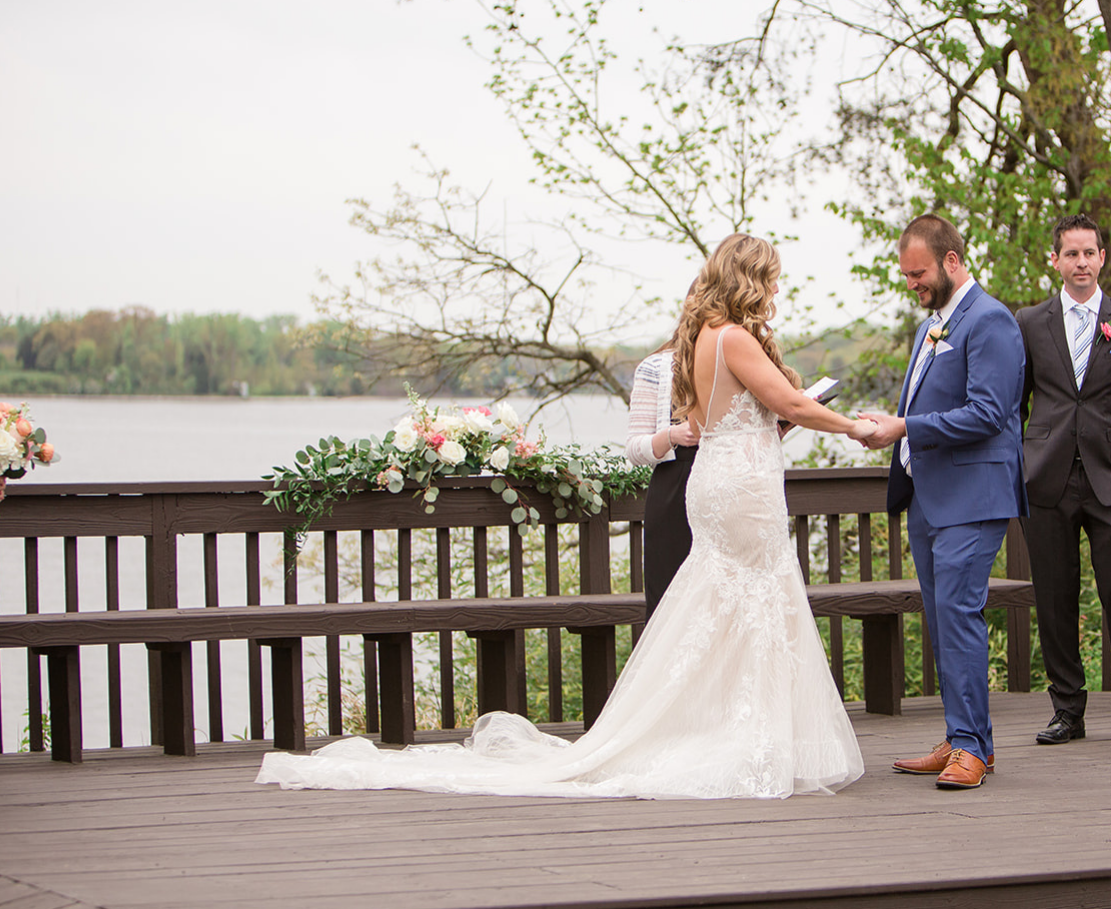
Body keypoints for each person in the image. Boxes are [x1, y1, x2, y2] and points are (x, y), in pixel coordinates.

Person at [257, 234, 876, 799]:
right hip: (741, 488)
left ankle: (729, 733)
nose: (775, 291)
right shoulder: (735, 338)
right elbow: (789, 401)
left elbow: (722, 417)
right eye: (770, 279)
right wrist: (853, 426)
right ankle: (740, 739)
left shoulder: (702, 340)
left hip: (721, 481)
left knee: (720, 605)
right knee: (752, 601)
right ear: (749, 279)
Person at [859, 214, 1027, 789]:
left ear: (952, 261)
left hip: (972, 496)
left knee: (959, 615)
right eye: (907, 275)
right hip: (929, 498)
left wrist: (903, 427)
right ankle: (963, 738)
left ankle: (973, 751)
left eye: (920, 272)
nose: (913, 283)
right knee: (942, 618)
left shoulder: (991, 321)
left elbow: (989, 413)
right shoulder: (933, 325)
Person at [1016, 214, 1111, 747]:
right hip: (1046, 479)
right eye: (1071, 254)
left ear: (1103, 257)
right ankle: (1067, 711)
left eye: (1090, 253)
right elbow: (1015, 407)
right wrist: (1016, 469)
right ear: (1054, 260)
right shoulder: (1029, 323)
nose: (1081, 262)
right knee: (1055, 598)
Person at [624, 287, 700, 620]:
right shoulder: (655, 367)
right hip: (676, 488)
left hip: (730, 482)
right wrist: (671, 435)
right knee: (672, 609)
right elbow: (634, 448)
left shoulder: (743, 360)